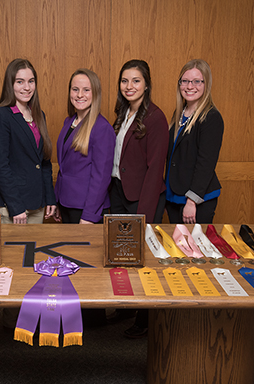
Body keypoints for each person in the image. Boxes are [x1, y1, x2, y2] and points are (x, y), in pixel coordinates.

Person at [108, 60, 169, 337]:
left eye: (135, 81)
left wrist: (144, 215)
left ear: (147, 84)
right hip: (120, 193)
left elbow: (156, 170)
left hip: (142, 199)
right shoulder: (122, 113)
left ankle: (145, 320)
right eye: (124, 81)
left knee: (144, 260)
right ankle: (127, 306)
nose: (129, 86)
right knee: (123, 255)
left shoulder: (155, 118)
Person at [0, 58, 57, 224]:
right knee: (12, 251)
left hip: (37, 205)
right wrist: (15, 206)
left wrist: (50, 198)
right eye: (20, 82)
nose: (27, 87)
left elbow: (44, 162)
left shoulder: (39, 115)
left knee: (35, 249)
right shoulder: (1, 116)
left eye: (31, 81)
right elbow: (0, 166)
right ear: (10, 84)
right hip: (12, 207)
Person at [165, 59, 224, 224]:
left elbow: (206, 163)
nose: (190, 86)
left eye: (197, 81)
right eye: (185, 81)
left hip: (196, 200)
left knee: (194, 249)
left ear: (206, 84)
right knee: (177, 248)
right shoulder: (179, 113)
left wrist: (192, 201)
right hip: (174, 195)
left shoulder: (211, 117)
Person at [55, 68, 115, 224]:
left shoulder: (102, 128)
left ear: (95, 93)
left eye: (86, 90)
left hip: (86, 210)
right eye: (75, 89)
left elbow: (101, 178)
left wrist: (89, 216)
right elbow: (65, 168)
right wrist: (57, 200)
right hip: (66, 204)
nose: (79, 95)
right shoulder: (69, 122)